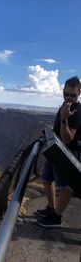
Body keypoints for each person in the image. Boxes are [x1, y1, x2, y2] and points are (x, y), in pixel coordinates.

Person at [36, 76, 81, 228]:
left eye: (72, 95)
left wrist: (64, 119)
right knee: (47, 179)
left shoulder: (77, 112)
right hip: (56, 150)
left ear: (79, 93)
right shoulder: (64, 105)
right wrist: (47, 132)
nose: (69, 98)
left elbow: (68, 139)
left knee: (65, 188)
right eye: (66, 94)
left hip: (68, 154)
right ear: (63, 92)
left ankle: (56, 217)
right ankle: (50, 208)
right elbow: (58, 129)